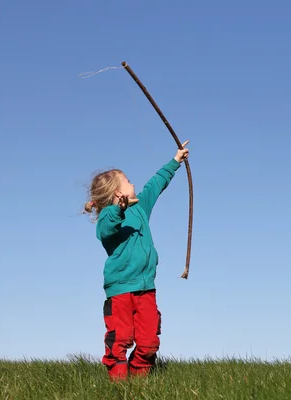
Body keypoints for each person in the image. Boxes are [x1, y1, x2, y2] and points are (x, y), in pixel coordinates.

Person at [83, 141, 190, 381]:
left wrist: (175, 162)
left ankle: (139, 384)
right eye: (128, 181)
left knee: (149, 341)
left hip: (146, 289)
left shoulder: (140, 208)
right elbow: (108, 228)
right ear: (118, 193)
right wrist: (119, 209)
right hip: (121, 290)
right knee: (120, 338)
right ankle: (119, 385)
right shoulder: (107, 218)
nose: (134, 183)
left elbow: (155, 185)